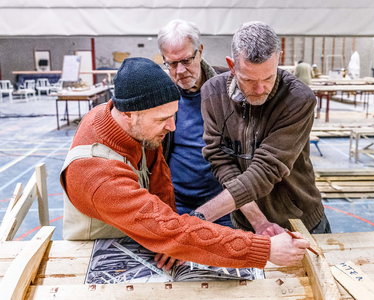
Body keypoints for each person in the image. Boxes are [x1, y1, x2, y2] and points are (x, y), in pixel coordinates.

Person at [60, 57, 310, 271]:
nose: (172, 127)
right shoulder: (95, 173)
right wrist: (264, 250)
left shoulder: (130, 125)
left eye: (173, 115)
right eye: (163, 119)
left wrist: (170, 238)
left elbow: (159, 182)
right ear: (128, 115)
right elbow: (168, 229)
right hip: (92, 254)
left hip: (135, 240)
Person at [194, 21, 330, 236]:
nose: (259, 90)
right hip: (246, 223)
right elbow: (220, 159)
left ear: (279, 59)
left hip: (300, 222)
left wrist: (199, 218)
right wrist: (257, 221)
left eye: (268, 77)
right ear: (232, 65)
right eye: (248, 79)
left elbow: (266, 169)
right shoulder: (213, 94)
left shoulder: (298, 99)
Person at [158, 20, 232, 227]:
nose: (180, 70)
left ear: (199, 52)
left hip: (223, 205)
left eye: (186, 61)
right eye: (172, 63)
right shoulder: (161, 95)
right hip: (176, 205)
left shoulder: (229, 89)